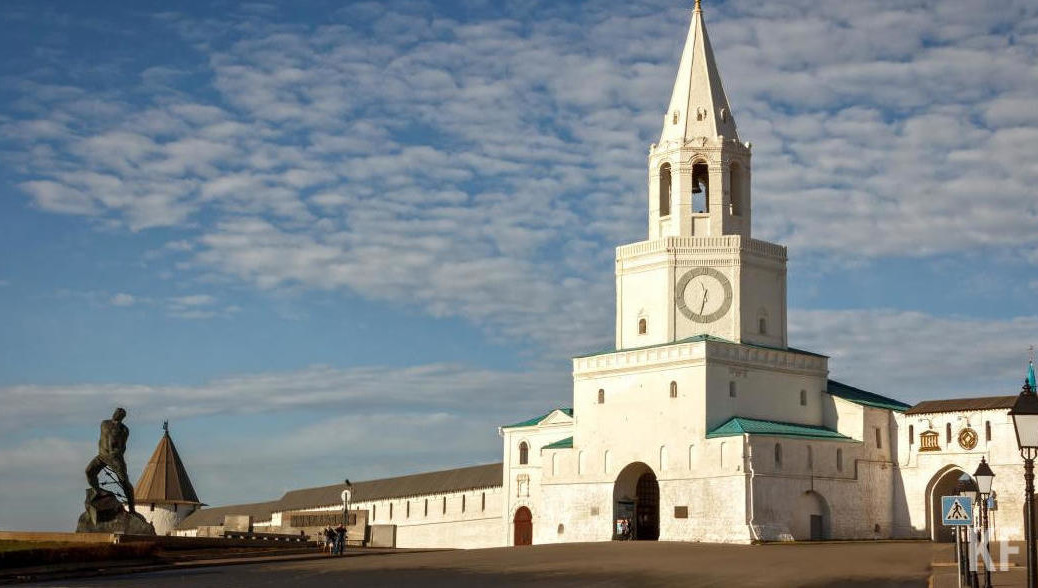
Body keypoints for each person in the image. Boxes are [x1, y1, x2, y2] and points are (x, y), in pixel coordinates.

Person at [84, 407, 135, 513]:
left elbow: (123, 446)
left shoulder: (124, 430)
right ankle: (97, 491)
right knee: (89, 472)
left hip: (114, 458)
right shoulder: (104, 423)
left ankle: (132, 508)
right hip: (101, 456)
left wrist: (117, 455)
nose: (117, 413)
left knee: (124, 482)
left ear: (123, 417)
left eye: (121, 413)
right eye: (117, 411)